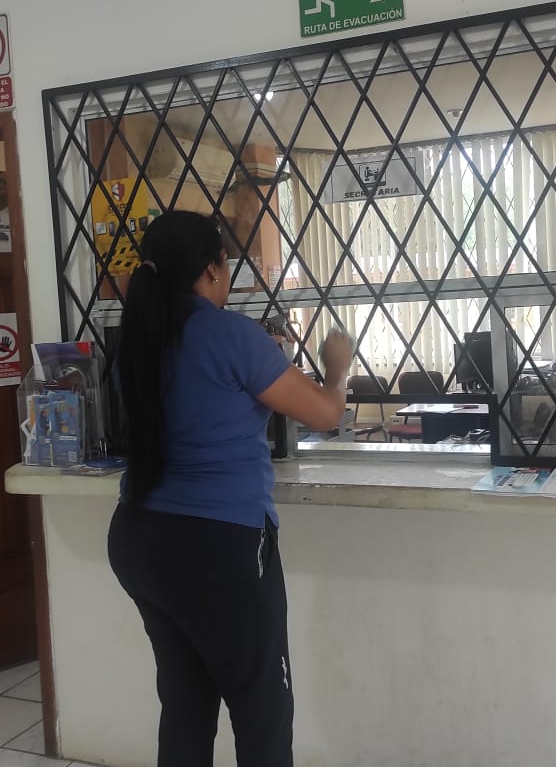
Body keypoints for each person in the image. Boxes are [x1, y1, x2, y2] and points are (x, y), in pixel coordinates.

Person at [107, 210, 351, 767]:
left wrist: (261, 358)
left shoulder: (138, 344)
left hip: (139, 540)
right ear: (213, 270)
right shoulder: (231, 334)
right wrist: (336, 368)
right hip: (219, 550)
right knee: (263, 712)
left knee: (186, 706)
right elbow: (324, 414)